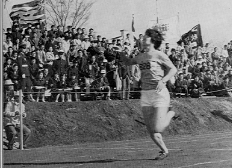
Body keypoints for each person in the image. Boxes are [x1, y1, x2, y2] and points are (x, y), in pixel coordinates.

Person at [120, 28, 177, 160]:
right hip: (145, 94)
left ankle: (171, 113)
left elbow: (173, 69)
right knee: (151, 130)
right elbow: (129, 62)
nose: (142, 39)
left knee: (158, 127)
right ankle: (164, 151)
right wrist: (122, 55)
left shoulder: (159, 55)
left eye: (145, 37)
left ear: (152, 40)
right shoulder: (141, 56)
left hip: (159, 93)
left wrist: (163, 80)